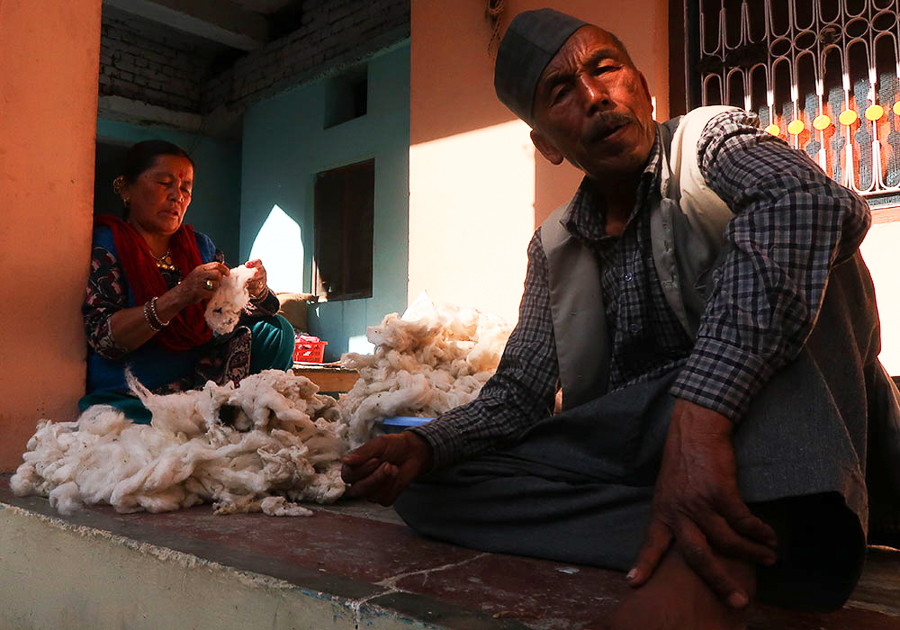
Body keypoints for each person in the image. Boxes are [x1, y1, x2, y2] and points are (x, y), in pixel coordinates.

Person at [341, 8, 900, 629]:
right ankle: (759, 528)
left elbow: (808, 203)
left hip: (789, 412)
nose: (595, 97)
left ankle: (710, 560)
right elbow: (518, 396)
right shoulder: (553, 246)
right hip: (657, 445)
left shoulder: (711, 141)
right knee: (430, 485)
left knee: (795, 253)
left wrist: (703, 413)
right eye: (560, 93)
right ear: (546, 144)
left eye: (605, 68)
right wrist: (425, 443)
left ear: (643, 86)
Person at [81, 140, 295, 422]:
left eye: (185, 189)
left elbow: (225, 319)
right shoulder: (105, 245)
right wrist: (179, 296)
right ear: (126, 189)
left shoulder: (200, 247)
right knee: (130, 422)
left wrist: (253, 288)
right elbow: (104, 338)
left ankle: (231, 409)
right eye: (163, 183)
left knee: (277, 331)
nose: (176, 196)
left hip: (200, 385)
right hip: (132, 392)